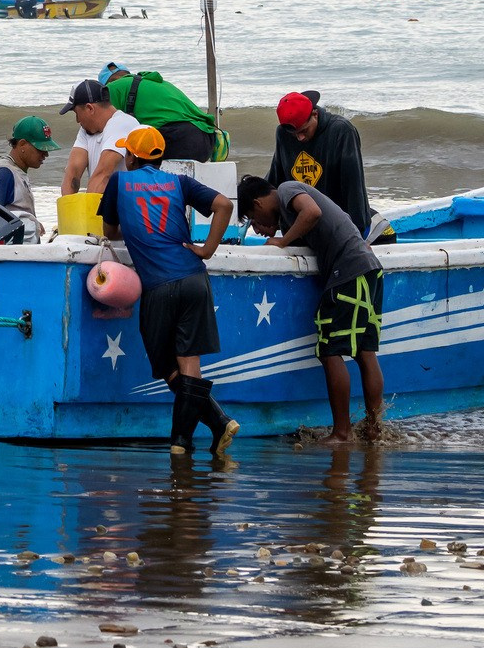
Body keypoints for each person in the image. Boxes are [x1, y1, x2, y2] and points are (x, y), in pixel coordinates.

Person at [108, 125, 237, 457]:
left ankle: (184, 441)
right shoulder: (180, 183)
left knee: (165, 364)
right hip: (194, 278)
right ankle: (205, 430)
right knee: (188, 359)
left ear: (131, 157)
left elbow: (110, 230)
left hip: (158, 284)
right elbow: (224, 205)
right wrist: (207, 249)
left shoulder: (119, 182)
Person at [238, 174, 385, 443]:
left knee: (330, 352)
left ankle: (342, 433)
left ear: (258, 204)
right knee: (365, 352)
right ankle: (374, 430)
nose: (257, 230)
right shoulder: (288, 215)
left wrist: (281, 242)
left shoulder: (286, 189)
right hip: (369, 268)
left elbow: (313, 212)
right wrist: (281, 236)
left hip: (349, 272)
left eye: (253, 221)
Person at [267, 90, 376, 241]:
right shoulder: (283, 134)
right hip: (304, 226)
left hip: (340, 226)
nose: (300, 138)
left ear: (315, 114)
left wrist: (356, 232)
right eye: (295, 134)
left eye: (304, 130)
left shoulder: (341, 131)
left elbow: (353, 187)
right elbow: (275, 177)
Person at [99, 61, 221, 162]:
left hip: (183, 139)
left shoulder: (113, 88)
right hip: (207, 139)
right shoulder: (151, 83)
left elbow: (102, 124)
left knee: (139, 150)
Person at [59, 77, 143, 198]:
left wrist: (87, 213)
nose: (77, 120)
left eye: (77, 114)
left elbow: (103, 175)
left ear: (89, 108)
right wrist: (67, 208)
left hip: (127, 205)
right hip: (104, 204)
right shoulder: (86, 130)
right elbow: (73, 173)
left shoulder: (123, 123)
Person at [0, 114, 55, 225]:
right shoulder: (4, 173)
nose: (46, 154)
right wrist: (28, 223)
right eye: (41, 148)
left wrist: (33, 224)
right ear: (22, 145)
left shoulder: (16, 171)